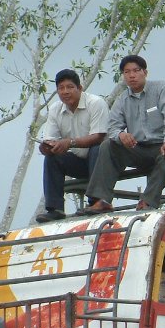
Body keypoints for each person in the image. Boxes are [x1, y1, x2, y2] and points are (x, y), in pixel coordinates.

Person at [78, 54, 165, 215]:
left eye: (136, 70)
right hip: (138, 148)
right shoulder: (122, 99)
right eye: (127, 72)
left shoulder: (161, 88)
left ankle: (148, 201)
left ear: (145, 72)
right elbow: (112, 127)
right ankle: (101, 200)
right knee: (108, 145)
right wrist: (121, 135)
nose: (132, 75)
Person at [35, 69, 109, 223]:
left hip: (103, 162)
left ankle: (97, 202)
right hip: (79, 162)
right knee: (52, 158)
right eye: (61, 88)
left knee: (99, 147)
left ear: (80, 88)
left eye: (70, 87)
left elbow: (100, 136)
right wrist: (47, 147)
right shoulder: (55, 109)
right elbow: (50, 138)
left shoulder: (95, 103)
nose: (65, 92)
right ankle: (55, 209)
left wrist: (70, 142)